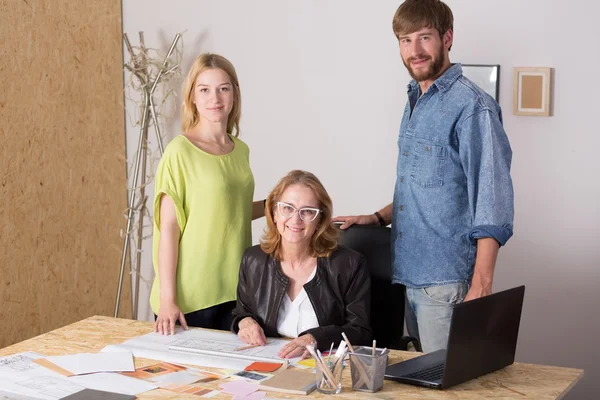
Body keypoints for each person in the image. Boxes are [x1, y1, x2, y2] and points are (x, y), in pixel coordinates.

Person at [333, 0, 514, 353]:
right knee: (427, 382)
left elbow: (493, 200)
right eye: (405, 40)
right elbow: (424, 184)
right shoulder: (416, 98)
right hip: (411, 276)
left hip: (447, 284)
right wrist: (376, 218)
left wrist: (481, 284)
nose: (414, 50)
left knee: (449, 386)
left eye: (424, 37)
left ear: (447, 38)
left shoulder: (473, 107)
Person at [151, 53, 265, 335]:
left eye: (223, 88)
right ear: (192, 97)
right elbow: (168, 229)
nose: (215, 98)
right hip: (189, 298)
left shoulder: (241, 150)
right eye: (204, 89)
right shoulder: (180, 151)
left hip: (234, 292)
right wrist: (168, 299)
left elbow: (230, 211)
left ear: (234, 94)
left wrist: (274, 204)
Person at [232, 170, 372, 359]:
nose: (295, 219)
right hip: (269, 360)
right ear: (274, 212)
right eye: (287, 208)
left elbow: (360, 330)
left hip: (325, 365)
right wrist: (245, 322)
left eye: (307, 211)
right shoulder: (253, 259)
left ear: (320, 220)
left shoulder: (349, 264)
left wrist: (316, 338)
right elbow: (241, 312)